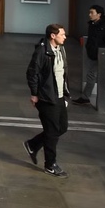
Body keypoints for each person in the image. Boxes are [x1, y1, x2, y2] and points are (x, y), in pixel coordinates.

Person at [24, 24, 71, 178]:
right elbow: (32, 73)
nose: (65, 37)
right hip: (46, 97)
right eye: (62, 34)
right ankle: (50, 165)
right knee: (52, 132)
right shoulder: (42, 52)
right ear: (53, 36)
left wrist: (65, 93)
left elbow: (63, 73)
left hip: (59, 95)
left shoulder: (61, 49)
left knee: (62, 127)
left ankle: (33, 144)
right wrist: (34, 94)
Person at [74, 7, 105, 104]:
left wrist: (101, 52)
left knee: (91, 75)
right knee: (102, 76)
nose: (89, 15)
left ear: (99, 14)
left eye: (92, 13)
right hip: (94, 54)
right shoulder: (92, 25)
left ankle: (85, 97)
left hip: (101, 55)